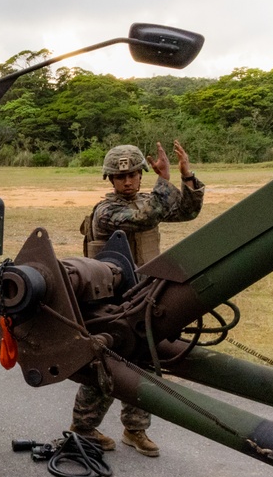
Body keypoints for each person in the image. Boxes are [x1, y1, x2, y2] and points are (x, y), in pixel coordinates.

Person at [72, 140, 205, 457]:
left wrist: (186, 177)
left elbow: (186, 212)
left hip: (144, 296)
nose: (128, 181)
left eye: (133, 174)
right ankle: (83, 428)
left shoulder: (147, 201)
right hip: (110, 302)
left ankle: (135, 430)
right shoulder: (106, 212)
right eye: (120, 177)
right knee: (106, 366)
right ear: (110, 180)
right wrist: (164, 180)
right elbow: (147, 217)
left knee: (145, 363)